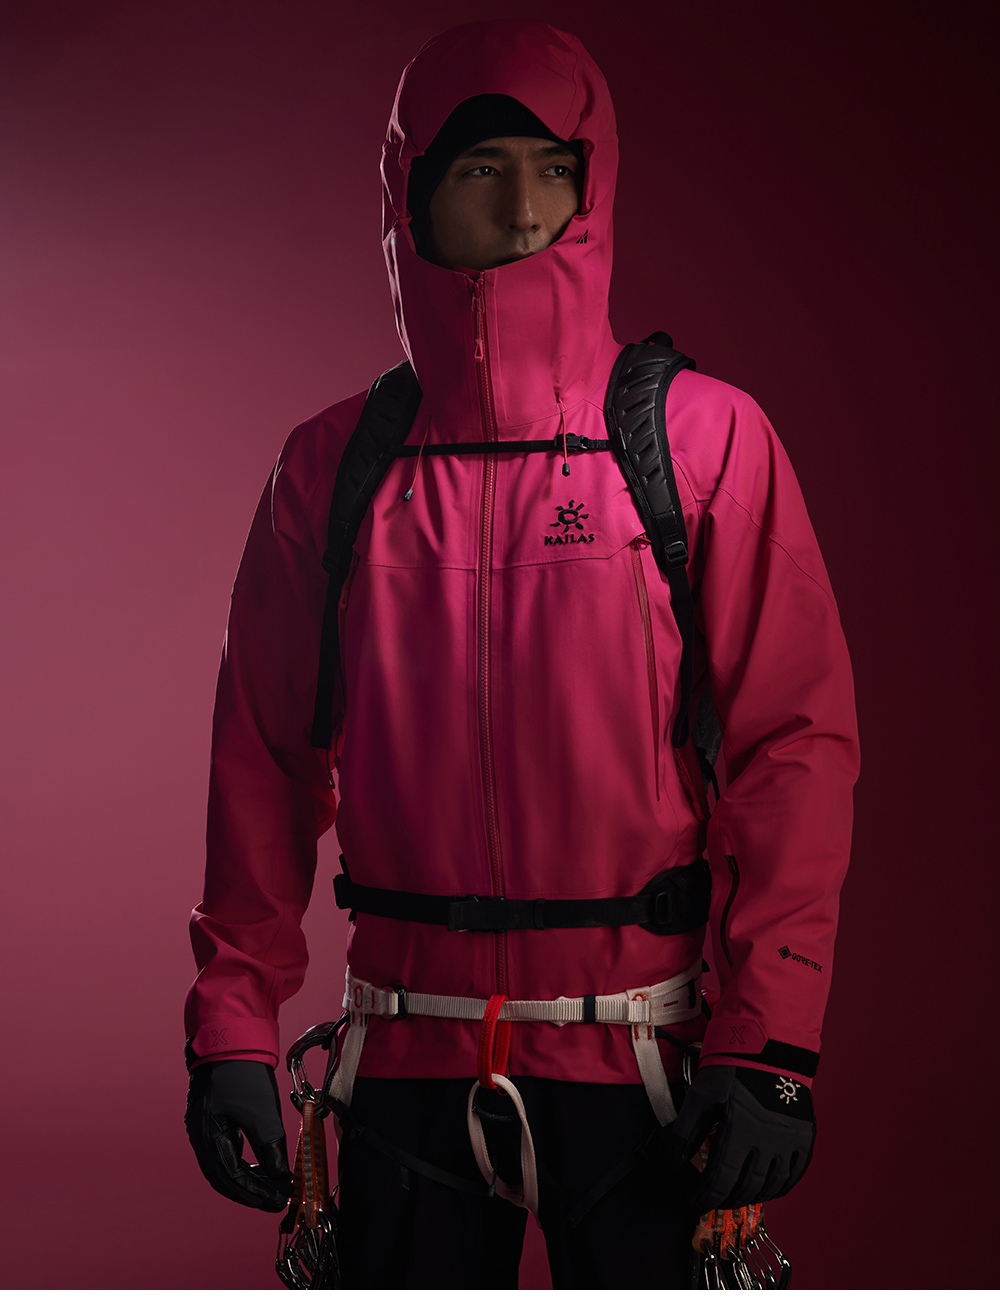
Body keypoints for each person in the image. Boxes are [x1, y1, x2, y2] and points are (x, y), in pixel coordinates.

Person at [184, 19, 859, 1289]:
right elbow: (264, 760)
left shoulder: (704, 443)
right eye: (477, 168)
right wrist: (230, 1020)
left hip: (645, 1066)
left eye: (552, 167)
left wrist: (770, 1039)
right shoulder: (329, 470)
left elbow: (793, 749)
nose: (521, 205)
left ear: (595, 185)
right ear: (410, 195)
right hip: (404, 1066)